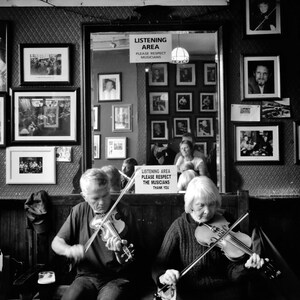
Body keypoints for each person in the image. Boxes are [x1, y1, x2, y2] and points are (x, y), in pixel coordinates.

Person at [152, 176, 265, 300]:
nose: (207, 211)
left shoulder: (225, 220)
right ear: (190, 205)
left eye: (211, 204)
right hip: (191, 293)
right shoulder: (179, 227)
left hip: (224, 290)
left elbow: (231, 270)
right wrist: (164, 276)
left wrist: (245, 267)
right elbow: (159, 265)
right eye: (201, 205)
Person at [51, 168, 141, 300]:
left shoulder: (125, 212)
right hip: (86, 277)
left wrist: (119, 256)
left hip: (115, 279)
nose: (102, 202)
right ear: (84, 196)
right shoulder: (79, 211)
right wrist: (69, 250)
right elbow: (56, 243)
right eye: (95, 198)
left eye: (105, 195)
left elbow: (135, 258)